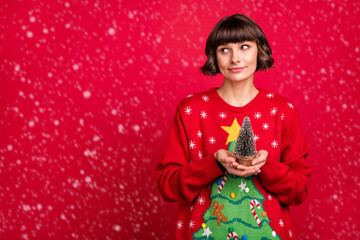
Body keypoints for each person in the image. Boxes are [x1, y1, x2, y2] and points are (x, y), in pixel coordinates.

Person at [156, 13, 311, 240]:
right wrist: (214, 163)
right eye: (225, 50)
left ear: (260, 50)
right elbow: (167, 185)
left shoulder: (283, 111)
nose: (235, 59)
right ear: (214, 57)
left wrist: (267, 167)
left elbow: (299, 191)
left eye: (244, 47)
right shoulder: (190, 110)